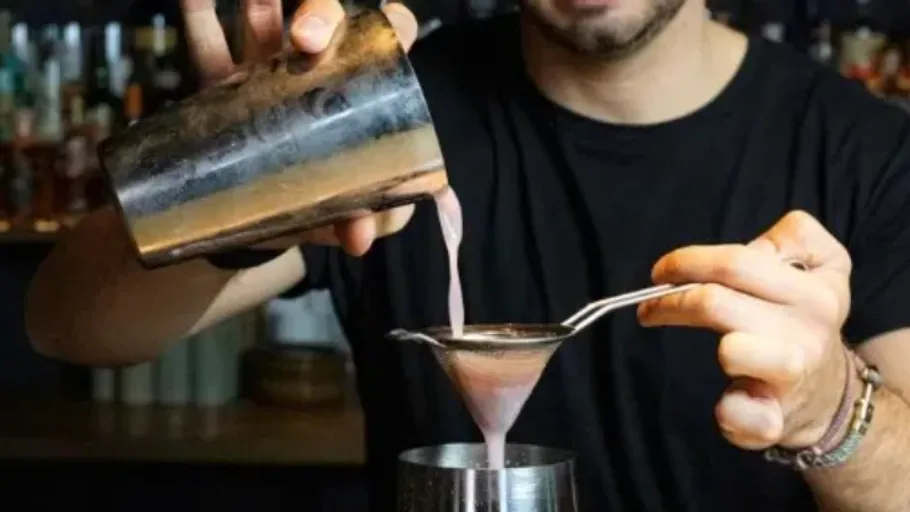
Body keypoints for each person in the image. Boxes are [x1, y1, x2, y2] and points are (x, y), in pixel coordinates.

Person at [25, 0, 910, 510]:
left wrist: (836, 412)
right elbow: (66, 323)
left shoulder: (865, 152)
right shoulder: (383, 118)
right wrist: (236, 167)